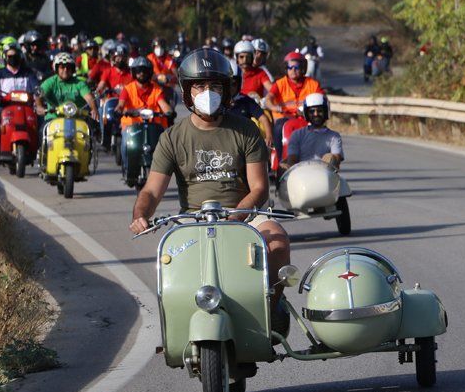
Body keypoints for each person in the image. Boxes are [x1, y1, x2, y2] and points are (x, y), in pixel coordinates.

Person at [129, 48, 292, 333]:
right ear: (187, 91)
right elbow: (152, 191)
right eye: (200, 86)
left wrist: (235, 217)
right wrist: (141, 214)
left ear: (227, 90)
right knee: (169, 264)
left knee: (277, 240)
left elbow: (259, 188)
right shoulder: (172, 137)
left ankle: (270, 308)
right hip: (192, 219)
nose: (208, 92)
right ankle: (178, 327)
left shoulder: (246, 131)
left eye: (215, 86)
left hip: (243, 213)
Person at [264, 51, 322, 162]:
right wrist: (275, 107)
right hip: (284, 119)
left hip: (306, 118)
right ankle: (281, 161)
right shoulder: (280, 84)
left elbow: (321, 99)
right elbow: (268, 99)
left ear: (303, 68)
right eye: (290, 67)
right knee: (278, 128)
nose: (293, 70)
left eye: (296, 67)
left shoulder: (313, 84)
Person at [281, 92, 342, 171]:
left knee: (330, 157)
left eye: (320, 111)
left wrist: (331, 160)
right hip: (300, 176)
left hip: (325, 176)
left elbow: (337, 158)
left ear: (326, 112)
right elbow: (292, 159)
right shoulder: (297, 135)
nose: (316, 114)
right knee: (282, 166)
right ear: (306, 113)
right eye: (312, 111)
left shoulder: (334, 136)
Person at [36, 52, 98, 122]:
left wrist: (94, 109)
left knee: (92, 131)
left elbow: (89, 98)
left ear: (72, 69)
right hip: (53, 120)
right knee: (41, 131)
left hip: (77, 121)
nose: (65, 70)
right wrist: (39, 106)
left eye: (68, 67)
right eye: (62, 67)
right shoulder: (49, 83)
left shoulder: (80, 83)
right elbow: (38, 95)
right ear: (56, 69)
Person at [227, 62, 273, 149]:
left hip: (245, 141)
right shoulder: (218, 102)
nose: (230, 87)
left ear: (239, 83)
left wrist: (269, 136)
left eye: (233, 83)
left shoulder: (246, 101)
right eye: (227, 84)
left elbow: (263, 118)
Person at [0, 41, 40, 118]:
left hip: (27, 107)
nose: (13, 59)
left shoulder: (29, 73)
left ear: (20, 56)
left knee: (41, 118)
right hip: (4, 107)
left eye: (15, 56)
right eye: (10, 56)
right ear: (5, 57)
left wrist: (38, 101)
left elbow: (36, 89)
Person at [147, 37, 178, 104]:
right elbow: (145, 73)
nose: (159, 49)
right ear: (154, 48)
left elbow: (176, 75)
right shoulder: (149, 58)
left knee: (173, 99)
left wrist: (170, 78)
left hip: (167, 89)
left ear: (164, 48)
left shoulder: (170, 60)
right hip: (153, 88)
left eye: (161, 47)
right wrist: (154, 77)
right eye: (157, 47)